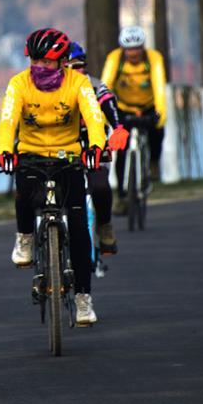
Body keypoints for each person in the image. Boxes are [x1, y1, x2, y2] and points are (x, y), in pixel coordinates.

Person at [0, 29, 105, 325]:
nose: (41, 66)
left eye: (48, 61)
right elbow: (7, 121)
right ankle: (25, 237)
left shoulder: (79, 83)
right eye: (36, 60)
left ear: (63, 62)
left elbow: (94, 118)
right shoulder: (18, 84)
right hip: (31, 154)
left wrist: (96, 147)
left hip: (68, 156)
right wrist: (6, 151)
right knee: (23, 194)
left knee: (81, 229)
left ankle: (83, 298)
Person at [65, 42, 127, 255]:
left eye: (80, 65)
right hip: (61, 147)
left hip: (93, 144)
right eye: (69, 66)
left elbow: (109, 103)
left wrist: (118, 128)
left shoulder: (95, 85)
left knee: (100, 185)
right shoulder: (48, 89)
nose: (75, 71)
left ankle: (105, 225)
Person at [101, 25, 166, 214]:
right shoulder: (115, 59)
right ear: (122, 48)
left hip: (148, 105)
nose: (133, 53)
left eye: (137, 48)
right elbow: (105, 87)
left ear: (143, 47)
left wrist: (160, 116)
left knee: (158, 132)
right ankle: (122, 196)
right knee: (121, 149)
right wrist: (106, 116)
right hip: (123, 107)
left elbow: (160, 87)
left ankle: (154, 163)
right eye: (129, 49)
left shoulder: (153, 58)